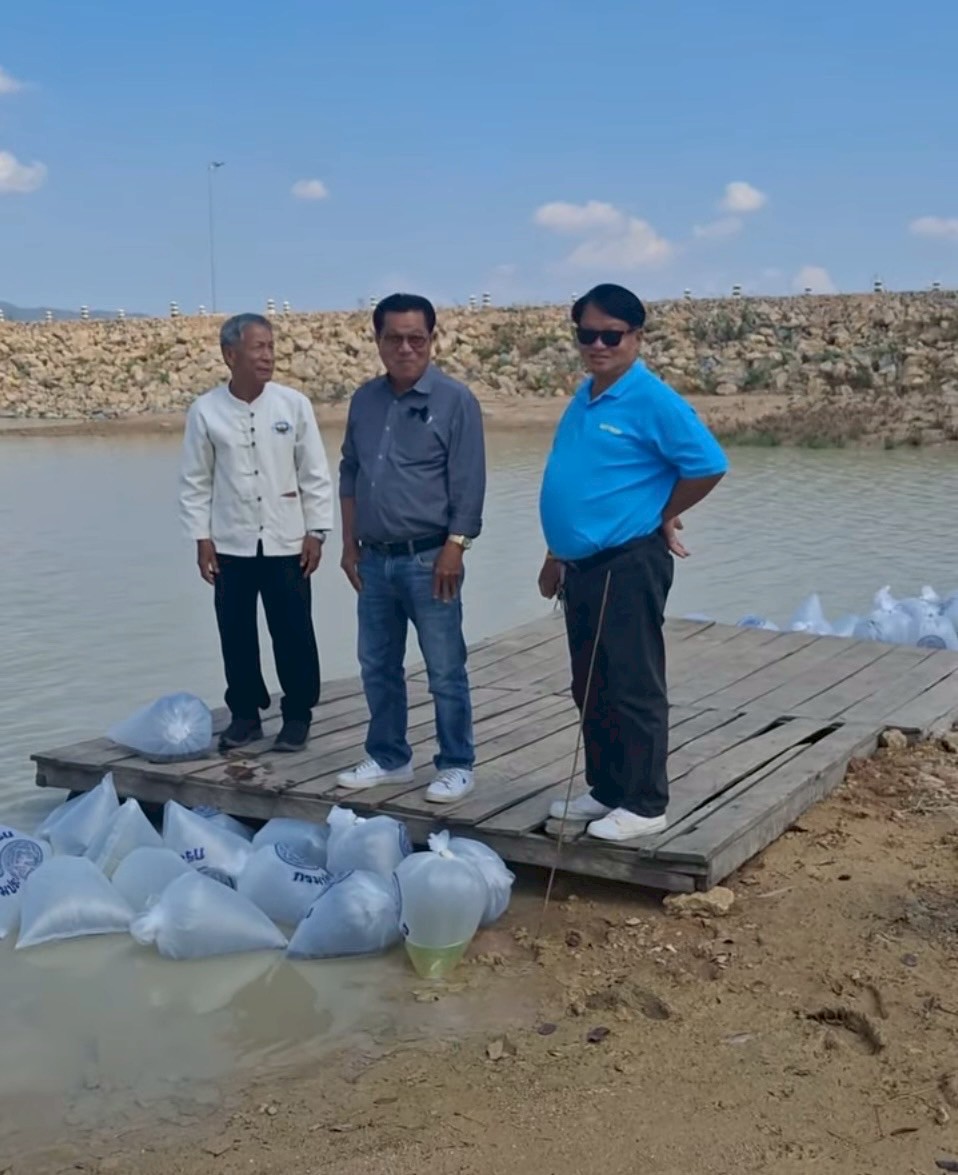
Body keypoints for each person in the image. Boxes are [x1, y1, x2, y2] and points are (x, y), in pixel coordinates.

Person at [537, 283, 727, 842]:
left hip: (628, 561)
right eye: (587, 334)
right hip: (581, 566)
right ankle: (607, 789)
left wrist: (657, 512)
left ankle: (645, 802)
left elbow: (708, 465)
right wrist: (554, 553)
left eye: (611, 335)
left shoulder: (653, 399)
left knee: (632, 682)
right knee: (589, 683)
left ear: (636, 337)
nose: (598, 344)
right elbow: (580, 480)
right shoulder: (586, 394)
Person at [337, 292, 485, 803]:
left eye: (415, 338)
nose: (405, 348)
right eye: (394, 338)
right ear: (378, 341)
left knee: (444, 665)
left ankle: (457, 762)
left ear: (431, 340)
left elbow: (469, 482)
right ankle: (388, 756)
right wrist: (348, 544)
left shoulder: (454, 400)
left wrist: (456, 547)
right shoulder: (364, 400)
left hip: (431, 558)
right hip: (374, 559)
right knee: (377, 663)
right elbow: (350, 471)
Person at [179, 312, 333, 754]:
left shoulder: (293, 405)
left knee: (293, 631)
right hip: (230, 543)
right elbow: (195, 480)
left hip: (287, 540)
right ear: (231, 354)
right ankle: (246, 715)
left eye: (270, 346)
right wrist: (201, 538)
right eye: (258, 347)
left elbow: (315, 473)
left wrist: (317, 532)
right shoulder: (206, 411)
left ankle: (298, 716)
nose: (268, 355)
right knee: (236, 632)